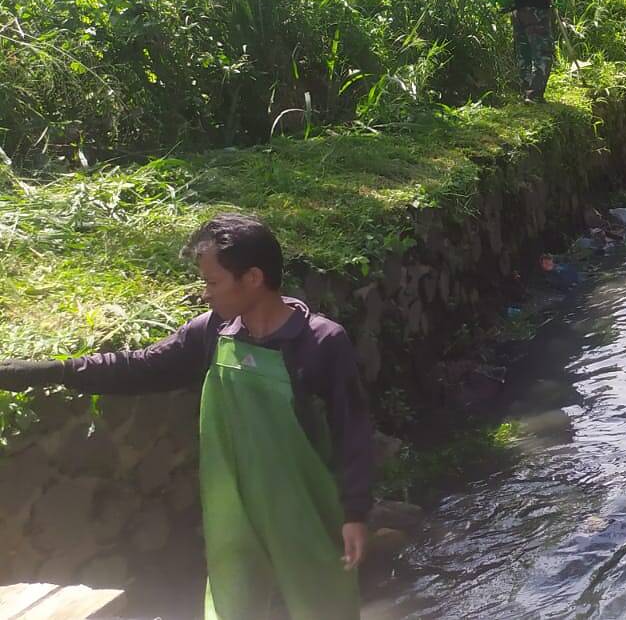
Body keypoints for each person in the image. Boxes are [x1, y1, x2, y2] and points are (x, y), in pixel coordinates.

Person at [0, 214, 373, 620]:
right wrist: (54, 371)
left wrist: (355, 513)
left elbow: (351, 429)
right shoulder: (213, 331)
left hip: (304, 506)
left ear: (251, 278)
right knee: (232, 607)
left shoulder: (320, 342)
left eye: (213, 283)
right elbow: (140, 366)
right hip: (231, 507)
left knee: (325, 607)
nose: (205, 294)